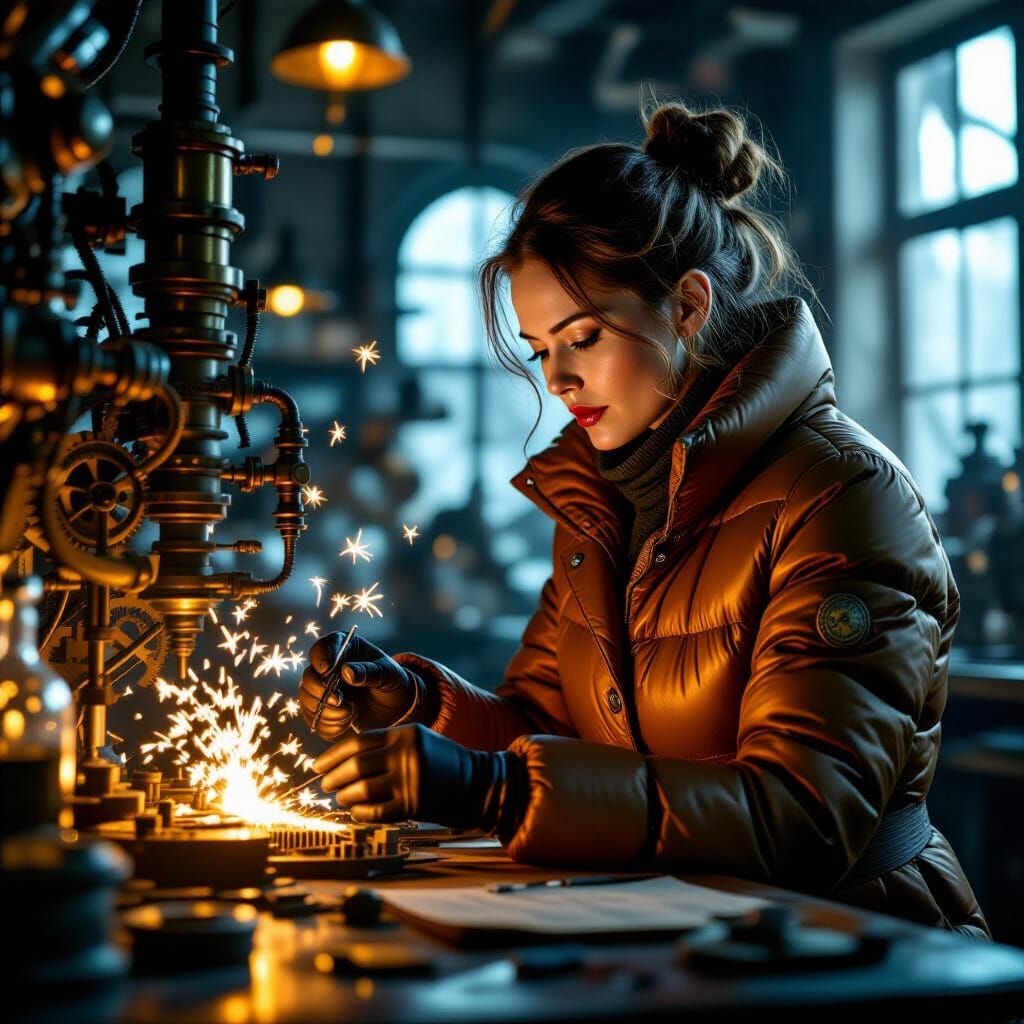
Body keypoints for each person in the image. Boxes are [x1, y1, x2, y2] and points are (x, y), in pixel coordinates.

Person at [299, 100, 990, 940]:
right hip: (677, 933)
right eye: (539, 348)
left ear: (689, 307)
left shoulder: (841, 496)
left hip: (856, 948)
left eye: (582, 336)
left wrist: (491, 791)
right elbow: (545, 731)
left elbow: (806, 815)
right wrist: (418, 708)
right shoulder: (600, 503)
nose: (557, 378)